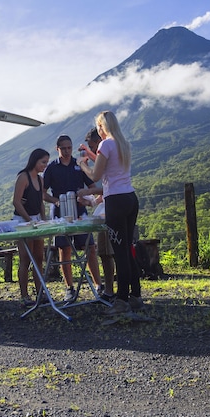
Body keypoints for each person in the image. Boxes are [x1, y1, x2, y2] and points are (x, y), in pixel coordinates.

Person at [77, 112, 142, 315]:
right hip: (130, 198)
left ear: (101, 126)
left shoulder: (105, 144)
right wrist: (91, 154)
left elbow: (96, 175)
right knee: (128, 249)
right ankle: (136, 295)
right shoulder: (123, 144)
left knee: (119, 252)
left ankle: (121, 300)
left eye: (98, 126)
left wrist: (82, 165)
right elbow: (108, 167)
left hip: (115, 201)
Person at [43, 134, 104, 303]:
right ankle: (69, 288)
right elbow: (42, 192)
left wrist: (89, 199)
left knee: (90, 246)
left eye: (69, 147)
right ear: (58, 149)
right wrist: (54, 201)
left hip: (80, 211)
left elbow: (92, 186)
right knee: (64, 249)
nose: (67, 151)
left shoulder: (78, 164)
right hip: (60, 211)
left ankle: (99, 285)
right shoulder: (51, 168)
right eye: (64, 148)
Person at [78, 127, 116, 301]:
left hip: (112, 210)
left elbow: (95, 177)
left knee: (106, 253)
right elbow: (108, 186)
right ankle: (116, 291)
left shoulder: (107, 149)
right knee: (112, 253)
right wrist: (93, 201)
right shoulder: (117, 150)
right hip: (115, 203)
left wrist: (82, 164)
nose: (95, 152)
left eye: (94, 147)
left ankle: (110, 292)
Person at [12, 148, 49, 307]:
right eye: (43, 162)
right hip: (22, 221)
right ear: (35, 161)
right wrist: (29, 220)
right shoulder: (23, 177)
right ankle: (24, 295)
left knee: (39, 257)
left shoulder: (40, 180)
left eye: (46, 163)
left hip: (36, 219)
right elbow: (16, 201)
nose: (44, 166)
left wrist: (43, 219)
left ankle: (40, 292)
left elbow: (40, 201)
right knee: (25, 258)